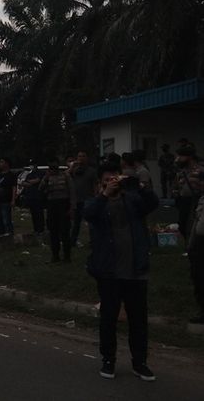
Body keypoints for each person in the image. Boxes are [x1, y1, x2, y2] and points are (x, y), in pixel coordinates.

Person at [84, 162, 159, 381]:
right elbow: (88, 213)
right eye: (107, 180)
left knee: (138, 320)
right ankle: (108, 360)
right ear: (100, 183)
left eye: (115, 178)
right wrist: (104, 195)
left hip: (136, 270)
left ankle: (140, 362)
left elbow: (152, 203)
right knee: (108, 318)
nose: (112, 183)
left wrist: (140, 185)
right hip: (108, 272)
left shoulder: (132, 199)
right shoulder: (96, 202)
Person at [40, 158, 76, 263]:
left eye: (54, 167)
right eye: (51, 167)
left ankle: (67, 257)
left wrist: (72, 207)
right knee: (53, 232)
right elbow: (40, 189)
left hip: (64, 204)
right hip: (52, 205)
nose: (53, 169)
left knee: (65, 232)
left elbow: (72, 191)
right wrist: (46, 178)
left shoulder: (65, 176)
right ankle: (55, 256)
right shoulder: (47, 177)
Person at [172, 145, 203, 242]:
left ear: (189, 157)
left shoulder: (200, 170)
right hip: (184, 201)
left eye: (180, 156)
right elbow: (177, 186)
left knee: (194, 226)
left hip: (196, 201)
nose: (178, 159)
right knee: (183, 226)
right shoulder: (182, 171)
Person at [70, 151, 97, 247]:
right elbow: (68, 176)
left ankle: (93, 241)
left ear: (87, 158)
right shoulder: (75, 170)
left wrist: (95, 197)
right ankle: (73, 241)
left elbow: (95, 186)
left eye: (83, 156)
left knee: (90, 222)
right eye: (79, 156)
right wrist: (73, 166)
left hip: (88, 199)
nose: (81, 158)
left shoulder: (91, 171)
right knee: (76, 222)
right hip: (77, 200)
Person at [19, 163, 45, 243]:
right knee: (34, 214)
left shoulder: (40, 173)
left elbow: (37, 180)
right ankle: (36, 229)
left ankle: (41, 230)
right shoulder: (30, 174)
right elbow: (22, 183)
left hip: (38, 197)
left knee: (39, 214)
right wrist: (31, 183)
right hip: (30, 197)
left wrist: (30, 183)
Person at [0, 158, 17, 236]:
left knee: (6, 220)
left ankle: (10, 236)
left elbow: (14, 187)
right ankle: (1, 236)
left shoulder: (11, 175)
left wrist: (13, 199)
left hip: (6, 200)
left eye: (2, 162)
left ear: (7, 164)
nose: (0, 164)